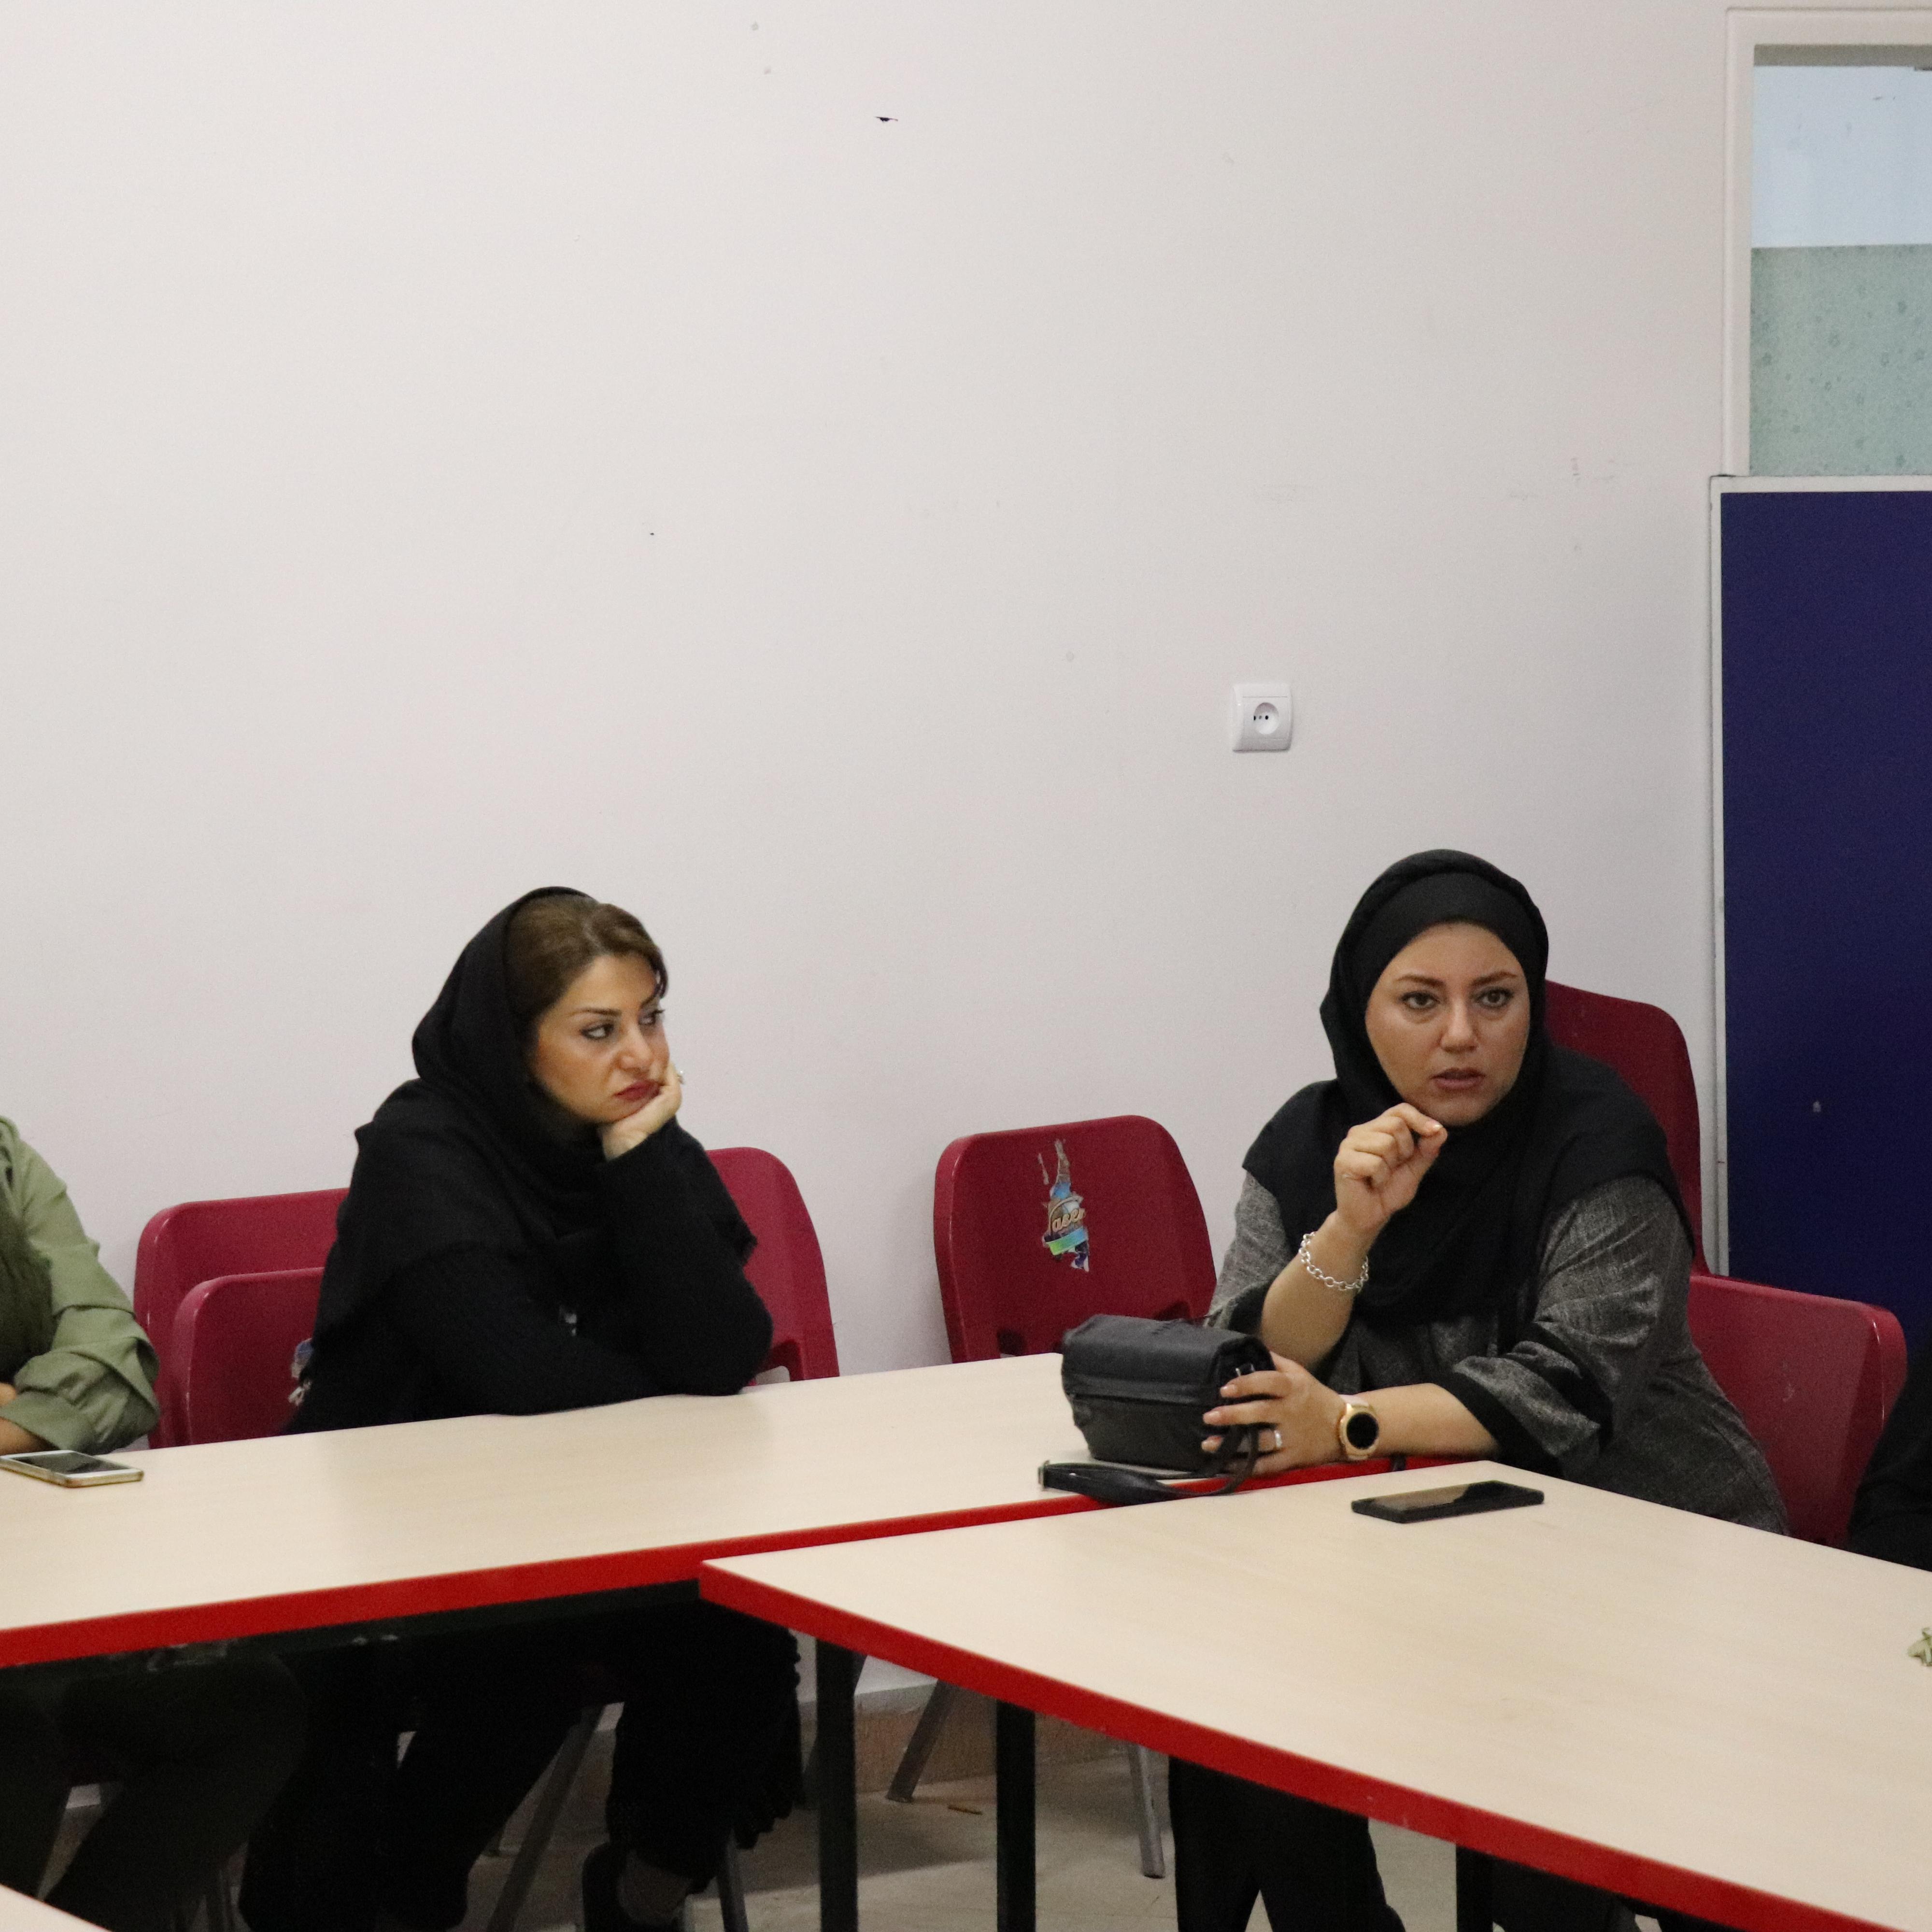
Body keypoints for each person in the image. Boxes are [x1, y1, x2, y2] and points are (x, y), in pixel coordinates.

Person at [1175, 850, 1783, 1932]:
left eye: (1494, 999)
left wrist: (1344, 1425)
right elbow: (1250, 1358)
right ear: (1359, 1010)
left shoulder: (1599, 1146)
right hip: (1440, 1563)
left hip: (1653, 1564)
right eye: (1420, 1001)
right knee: (1238, 1697)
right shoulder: (1309, 1148)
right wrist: (1349, 1229)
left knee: (1535, 1855)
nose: (1460, 1034)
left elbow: (1562, 1393)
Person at [240, 889, 798, 1932]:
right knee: (519, 1658)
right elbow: (525, 1377)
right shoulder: (421, 1149)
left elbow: (725, 1349)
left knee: (742, 1636)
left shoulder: (637, 1136)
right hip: (391, 1529)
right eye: (598, 1029)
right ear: (514, 1040)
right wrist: (669, 1382)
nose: (639, 1054)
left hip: (584, 1520)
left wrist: (640, 1162)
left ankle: (640, 1892)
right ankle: (402, 1896)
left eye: (651, 1017)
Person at [0, 1118, 305, 1932]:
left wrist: (17, 1420)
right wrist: (36, 1408)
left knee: (250, 1707)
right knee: (12, 1746)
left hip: (40, 1573)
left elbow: (112, 1364)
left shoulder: (4, 1159)